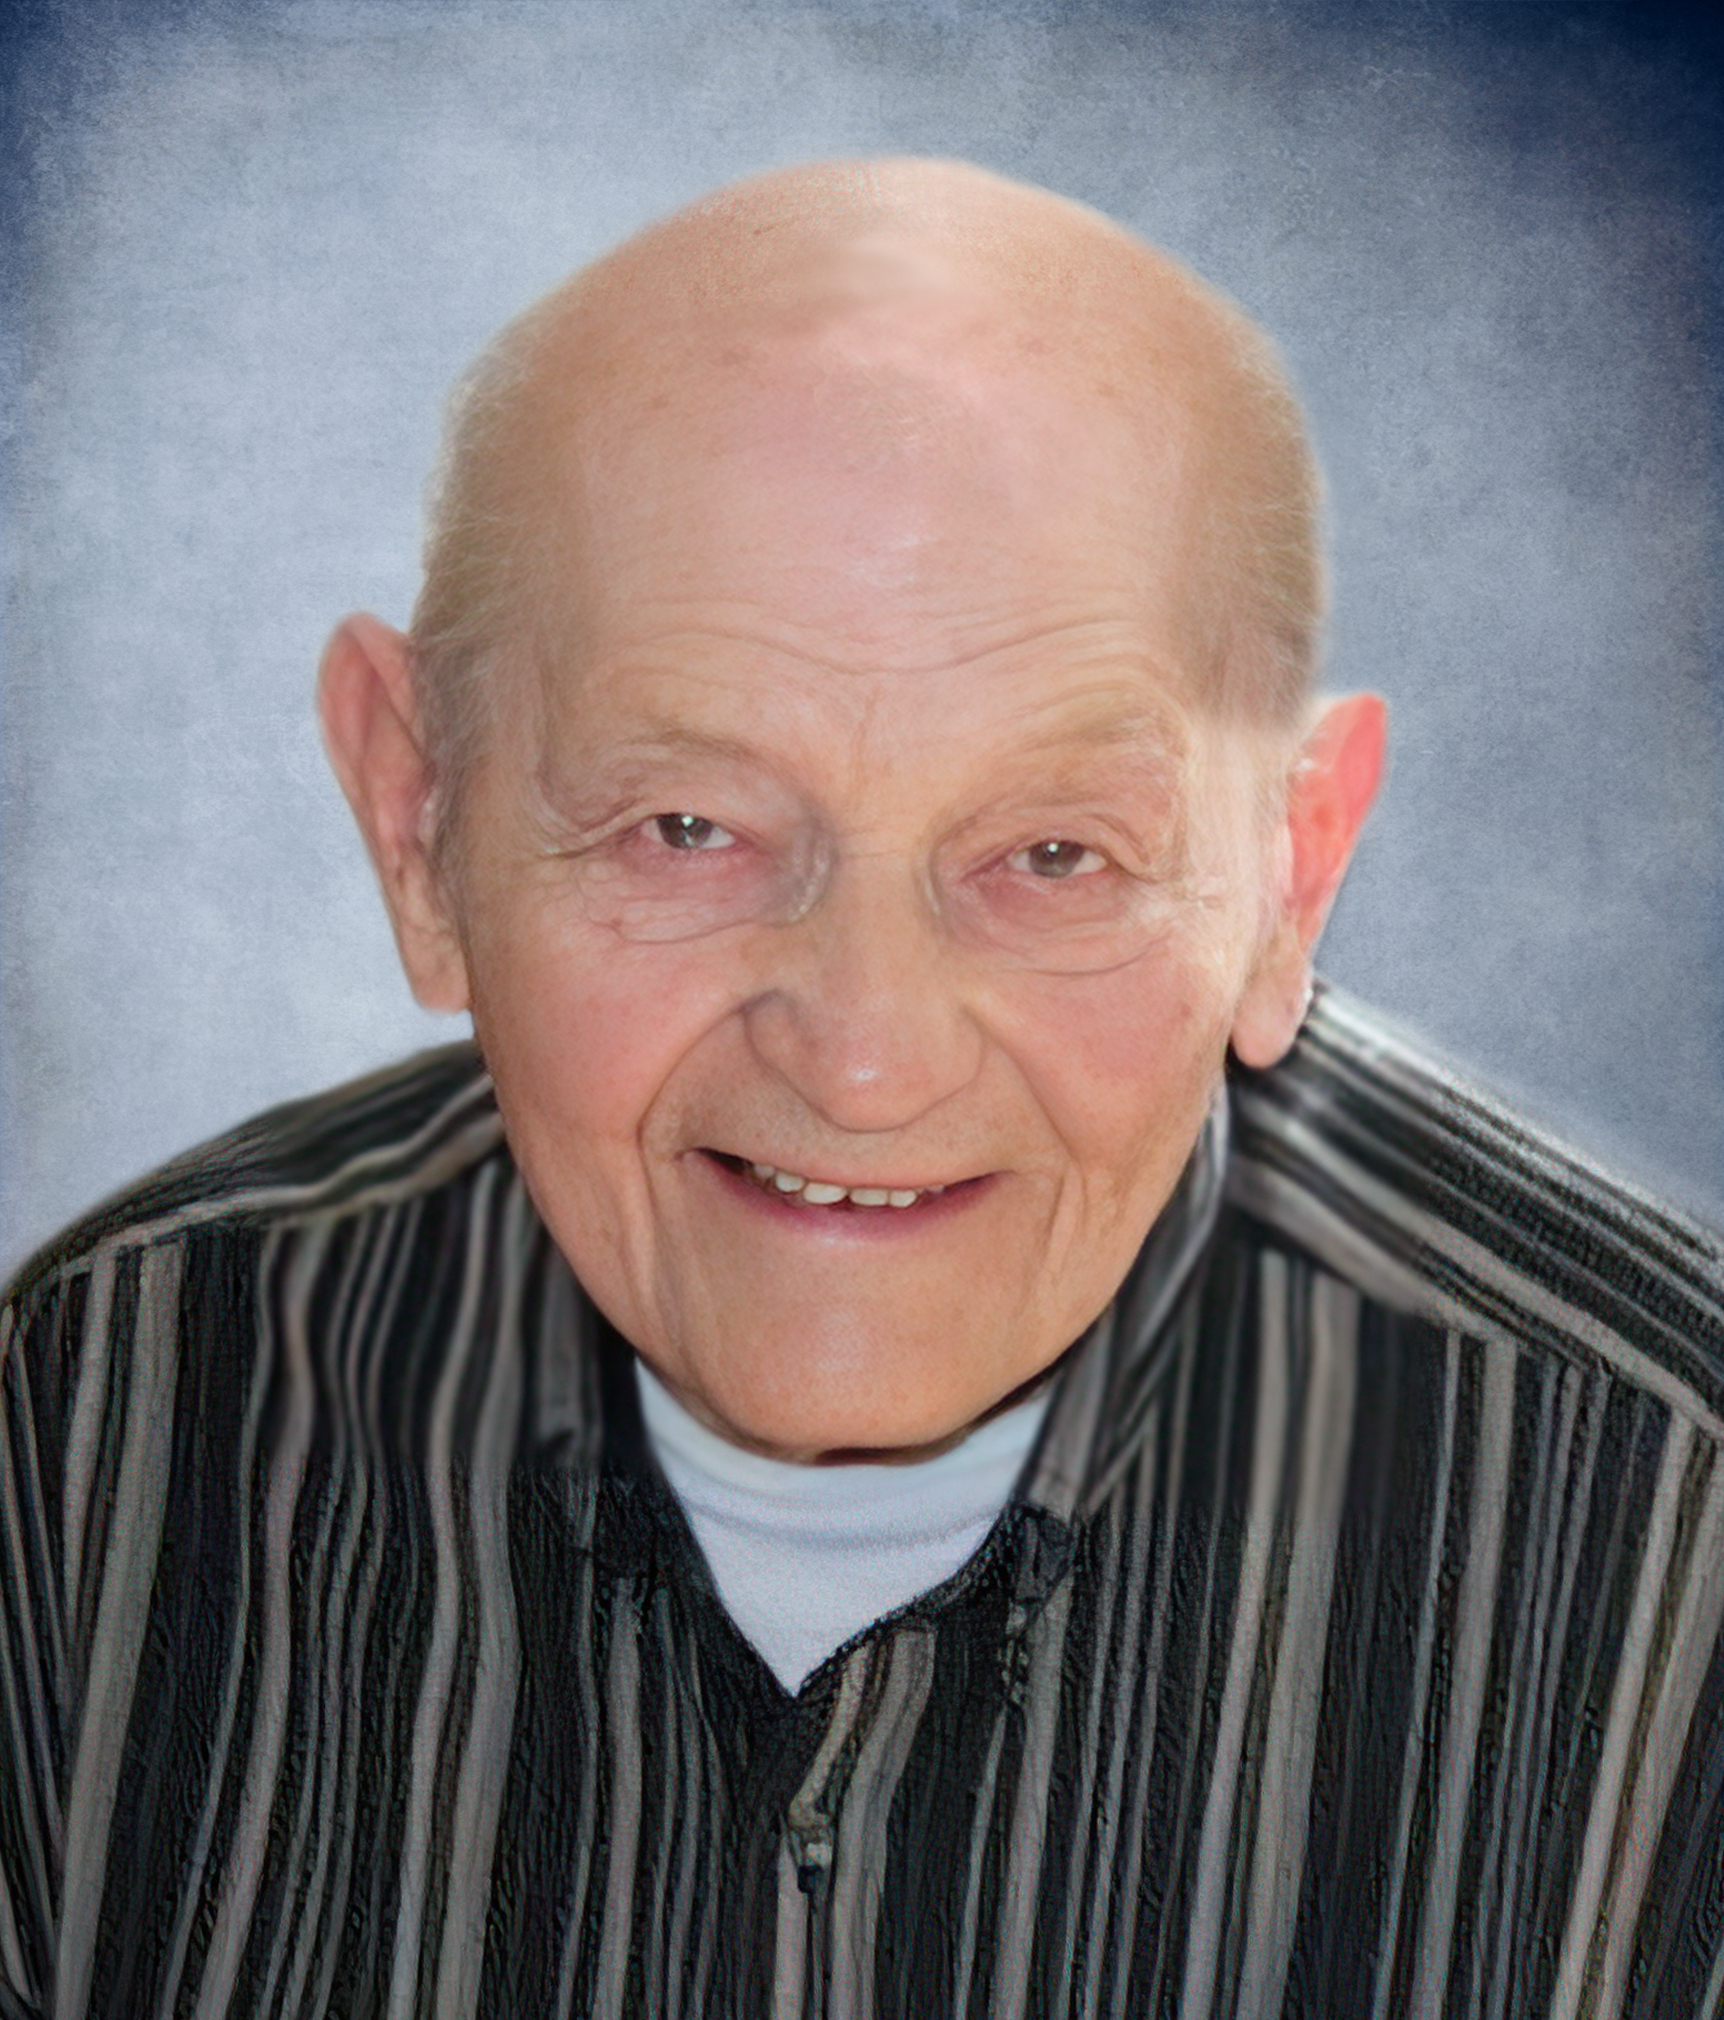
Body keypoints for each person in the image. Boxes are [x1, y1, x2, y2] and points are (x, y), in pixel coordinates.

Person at [2, 156, 1721, 2020]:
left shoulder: (1678, 1534)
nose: (868, 1059)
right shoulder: (95, 1414)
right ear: (419, 819)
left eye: (1055, 855)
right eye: (687, 826)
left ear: (1291, 875)